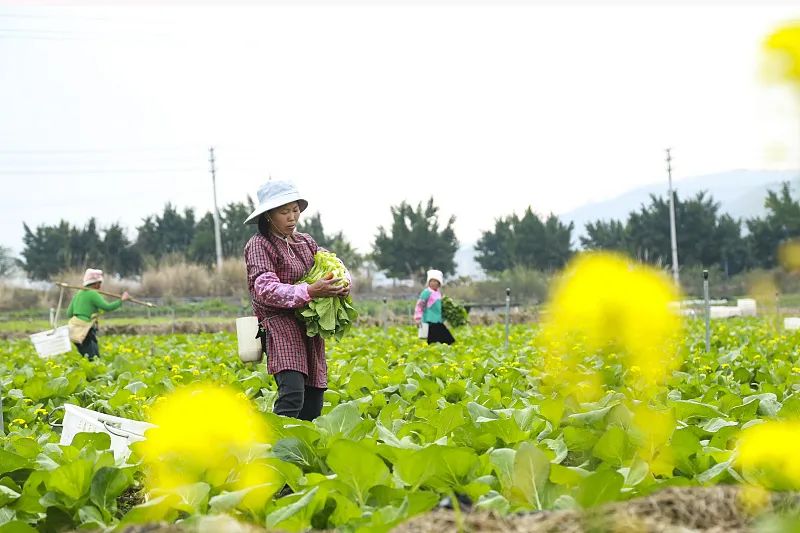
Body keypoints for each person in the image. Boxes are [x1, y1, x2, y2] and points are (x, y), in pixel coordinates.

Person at [244, 179, 349, 421]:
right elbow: (264, 288)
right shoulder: (260, 244)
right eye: (284, 212)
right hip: (281, 326)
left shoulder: (306, 242)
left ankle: (301, 451)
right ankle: (275, 450)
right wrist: (310, 291)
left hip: (309, 328)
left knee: (314, 398)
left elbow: (334, 265)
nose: (292, 217)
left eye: (295, 210)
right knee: (292, 394)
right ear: (268, 215)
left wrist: (340, 286)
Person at [66, 268, 130, 360]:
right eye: (99, 283)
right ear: (95, 284)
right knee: (93, 358)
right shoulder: (93, 294)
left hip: (75, 331)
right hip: (85, 331)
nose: (100, 286)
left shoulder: (78, 294)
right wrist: (121, 300)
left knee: (87, 356)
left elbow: (69, 313)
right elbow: (107, 307)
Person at [414, 269, 455, 345]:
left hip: (438, 320)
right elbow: (420, 305)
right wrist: (418, 318)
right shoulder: (426, 292)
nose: (433, 283)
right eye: (431, 281)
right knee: (435, 341)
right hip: (430, 320)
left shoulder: (438, 293)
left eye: (435, 281)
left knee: (448, 340)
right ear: (428, 282)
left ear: (439, 283)